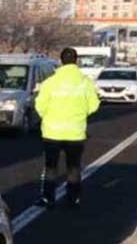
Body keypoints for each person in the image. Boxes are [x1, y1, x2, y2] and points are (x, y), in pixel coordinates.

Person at [35, 47, 100, 208]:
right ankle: (73, 198)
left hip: (52, 131)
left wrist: (49, 117)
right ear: (76, 61)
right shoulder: (85, 82)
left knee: (50, 167)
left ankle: (48, 198)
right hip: (75, 133)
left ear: (61, 61)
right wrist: (80, 113)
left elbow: (40, 105)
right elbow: (94, 105)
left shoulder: (50, 82)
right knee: (73, 167)